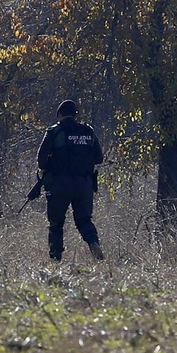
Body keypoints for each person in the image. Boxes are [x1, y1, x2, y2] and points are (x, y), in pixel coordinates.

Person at [31, 99, 105, 262]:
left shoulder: (55, 132)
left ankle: (55, 258)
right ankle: (94, 243)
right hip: (84, 185)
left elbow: (41, 160)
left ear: (59, 114)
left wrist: (48, 167)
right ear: (76, 115)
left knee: (56, 223)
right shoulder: (88, 132)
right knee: (84, 220)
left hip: (60, 184)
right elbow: (99, 158)